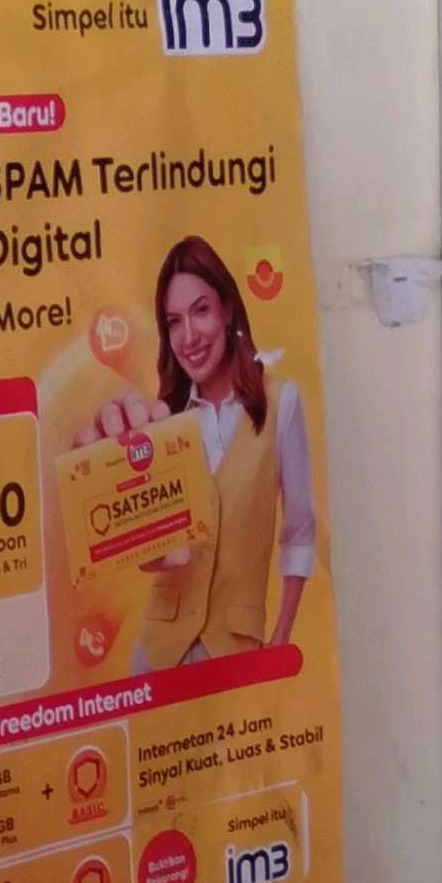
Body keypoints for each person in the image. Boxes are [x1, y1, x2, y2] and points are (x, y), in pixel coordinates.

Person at [75, 235, 316, 658]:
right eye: (174, 322)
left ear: (227, 309)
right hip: (156, 650)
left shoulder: (281, 402)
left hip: (235, 647)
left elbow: (298, 531)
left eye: (201, 311)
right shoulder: (163, 422)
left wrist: (281, 636)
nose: (188, 337)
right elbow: (151, 552)